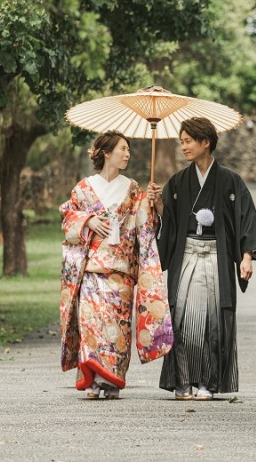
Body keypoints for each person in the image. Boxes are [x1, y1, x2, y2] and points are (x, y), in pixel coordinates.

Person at [149, 117, 256, 401]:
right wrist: (158, 204)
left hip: (216, 256)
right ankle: (182, 380)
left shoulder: (230, 181)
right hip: (187, 255)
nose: (184, 147)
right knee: (180, 316)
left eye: (189, 141)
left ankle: (207, 381)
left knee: (213, 321)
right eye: (182, 142)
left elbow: (246, 220)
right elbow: (168, 224)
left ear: (206, 142)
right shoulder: (178, 181)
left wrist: (246, 257)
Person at [59, 130, 174, 400]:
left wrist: (153, 202)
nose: (127, 154)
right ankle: (91, 378)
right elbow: (68, 217)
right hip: (91, 269)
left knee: (117, 326)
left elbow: (144, 224)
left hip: (120, 270)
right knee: (90, 323)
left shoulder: (133, 188)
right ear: (107, 152)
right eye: (123, 149)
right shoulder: (84, 188)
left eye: (129, 150)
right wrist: (87, 221)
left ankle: (110, 380)